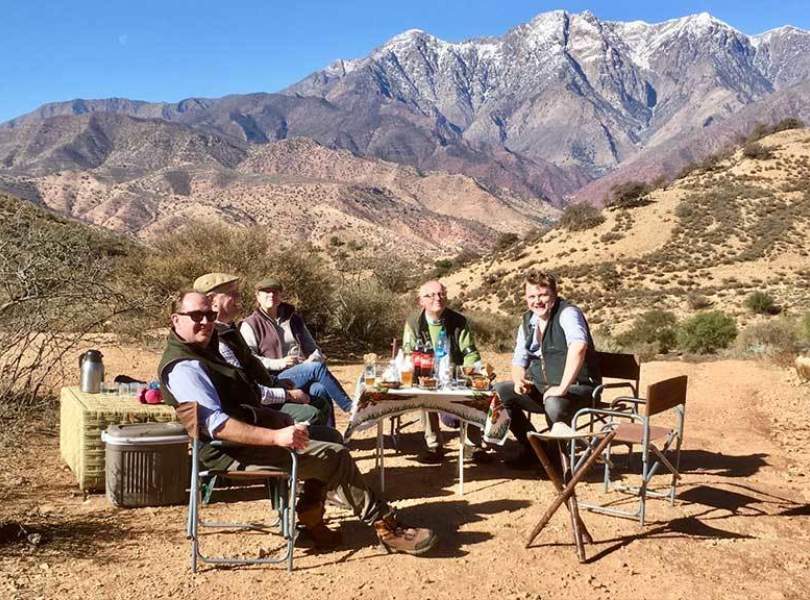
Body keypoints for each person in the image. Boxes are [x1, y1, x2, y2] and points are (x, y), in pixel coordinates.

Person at [158, 291, 437, 554]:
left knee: (330, 436)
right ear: (176, 320)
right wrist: (277, 437)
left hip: (251, 436)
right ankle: (386, 526)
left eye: (208, 314)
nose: (205, 321)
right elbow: (217, 425)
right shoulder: (185, 367)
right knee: (334, 456)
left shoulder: (207, 348)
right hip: (230, 450)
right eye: (196, 315)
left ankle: (309, 517)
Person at [192, 272, 332, 429]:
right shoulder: (219, 338)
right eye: (233, 294)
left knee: (320, 398)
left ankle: (326, 441)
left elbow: (252, 366)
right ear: (212, 300)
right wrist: (286, 394)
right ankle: (297, 448)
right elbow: (244, 389)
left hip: (267, 389)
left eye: (276, 291)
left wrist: (277, 383)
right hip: (252, 406)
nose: (239, 298)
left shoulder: (230, 329)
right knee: (312, 413)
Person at [494, 270, 601, 470]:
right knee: (500, 393)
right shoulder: (527, 321)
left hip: (579, 388)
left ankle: (556, 462)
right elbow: (519, 359)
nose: (537, 301)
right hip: (543, 389)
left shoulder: (568, 313)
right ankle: (535, 450)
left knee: (554, 403)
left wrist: (562, 387)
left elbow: (578, 347)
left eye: (543, 295)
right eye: (532, 296)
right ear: (526, 298)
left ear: (554, 294)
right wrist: (519, 381)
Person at [241, 278, 353, 419]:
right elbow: (249, 359)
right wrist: (280, 363)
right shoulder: (250, 324)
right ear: (257, 296)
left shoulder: (293, 319)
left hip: (302, 370)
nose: (271, 295)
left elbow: (313, 349)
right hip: (273, 378)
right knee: (316, 368)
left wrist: (312, 359)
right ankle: (351, 409)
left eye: (275, 292)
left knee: (320, 389)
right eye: (266, 292)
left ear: (281, 295)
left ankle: (329, 436)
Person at [402, 280, 486, 464]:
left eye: (441, 294)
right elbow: (408, 353)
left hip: (455, 373)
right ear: (420, 301)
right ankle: (433, 445)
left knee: (473, 392)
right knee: (422, 391)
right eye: (430, 295)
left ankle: (473, 445)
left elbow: (470, 352)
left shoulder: (459, 321)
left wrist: (468, 371)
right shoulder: (414, 322)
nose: (437, 298)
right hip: (425, 373)